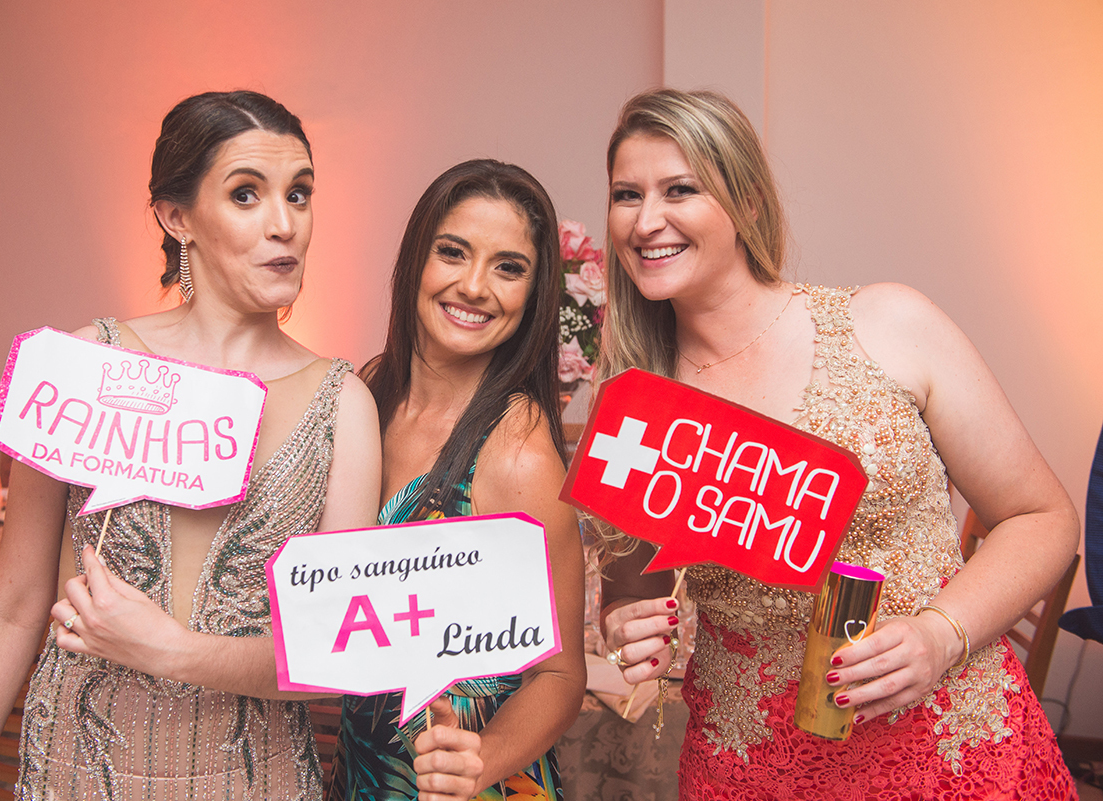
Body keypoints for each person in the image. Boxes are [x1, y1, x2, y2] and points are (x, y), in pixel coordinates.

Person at [596, 89, 1080, 799]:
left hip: (948, 746)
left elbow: (1044, 517)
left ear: (750, 201)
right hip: (751, 768)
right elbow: (630, 585)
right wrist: (626, 624)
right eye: (625, 195)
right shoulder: (639, 403)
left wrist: (941, 634)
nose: (646, 221)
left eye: (680, 189)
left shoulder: (887, 323)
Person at [0, 90, 381, 801]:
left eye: (299, 195)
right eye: (246, 194)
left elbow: (334, 656)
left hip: (253, 783)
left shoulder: (343, 405)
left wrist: (170, 650)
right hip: (77, 772)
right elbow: (14, 602)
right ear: (177, 217)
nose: (284, 224)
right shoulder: (86, 361)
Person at [328, 160, 586, 801]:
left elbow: (559, 674)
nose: (474, 286)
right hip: (363, 773)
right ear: (416, 258)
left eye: (508, 267)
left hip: (474, 787)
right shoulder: (368, 394)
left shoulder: (516, 453)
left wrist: (483, 759)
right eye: (453, 253)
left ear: (534, 293)